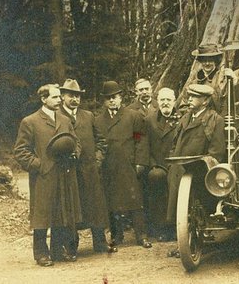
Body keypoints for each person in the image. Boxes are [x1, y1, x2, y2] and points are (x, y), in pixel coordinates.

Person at [14, 84, 81, 266]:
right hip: (43, 177)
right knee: (41, 216)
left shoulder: (65, 120)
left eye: (60, 97)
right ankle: (41, 254)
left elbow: (75, 141)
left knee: (61, 212)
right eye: (55, 97)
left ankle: (57, 251)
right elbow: (20, 151)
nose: (59, 100)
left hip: (63, 174)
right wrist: (39, 165)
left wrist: (75, 154)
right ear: (44, 99)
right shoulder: (30, 121)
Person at [58, 79, 116, 255]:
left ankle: (99, 242)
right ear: (62, 96)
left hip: (90, 171)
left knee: (95, 207)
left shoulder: (88, 116)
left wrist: (97, 161)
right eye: (71, 95)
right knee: (71, 208)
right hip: (69, 172)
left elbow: (101, 142)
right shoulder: (57, 116)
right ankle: (71, 246)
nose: (75, 99)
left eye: (77, 96)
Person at [166, 84, 226, 256]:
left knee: (188, 209)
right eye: (189, 96)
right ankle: (183, 242)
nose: (189, 99)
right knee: (179, 210)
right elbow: (175, 143)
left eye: (194, 97)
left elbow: (217, 152)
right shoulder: (186, 118)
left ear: (205, 101)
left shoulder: (215, 120)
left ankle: (188, 245)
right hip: (179, 168)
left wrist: (205, 165)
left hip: (199, 171)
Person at [94, 80, 152, 248]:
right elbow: (97, 143)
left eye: (115, 97)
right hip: (109, 166)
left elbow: (140, 139)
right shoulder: (98, 121)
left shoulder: (132, 116)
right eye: (108, 98)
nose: (112, 100)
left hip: (128, 164)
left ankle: (141, 235)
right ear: (104, 101)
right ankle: (116, 235)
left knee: (135, 200)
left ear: (121, 98)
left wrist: (140, 161)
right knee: (112, 202)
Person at [144, 87, 181, 241]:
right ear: (157, 101)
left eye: (169, 100)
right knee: (156, 178)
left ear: (174, 101)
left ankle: (175, 228)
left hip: (176, 163)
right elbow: (142, 143)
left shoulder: (182, 119)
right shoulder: (148, 120)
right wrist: (152, 164)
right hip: (157, 164)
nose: (165, 103)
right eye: (162, 100)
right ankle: (160, 229)